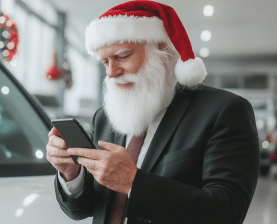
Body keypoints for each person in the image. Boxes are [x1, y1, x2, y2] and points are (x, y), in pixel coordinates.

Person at [46, 1, 260, 224]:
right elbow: (84, 209)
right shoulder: (105, 118)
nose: (111, 73)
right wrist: (71, 173)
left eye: (122, 56)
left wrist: (133, 182)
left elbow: (227, 212)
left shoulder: (223, 111)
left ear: (161, 49)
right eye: (105, 61)